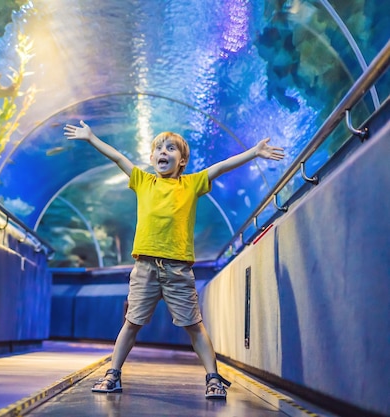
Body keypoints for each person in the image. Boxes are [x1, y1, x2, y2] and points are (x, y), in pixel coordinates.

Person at [63, 120, 285, 399]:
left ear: (182, 161)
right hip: (145, 267)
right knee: (131, 323)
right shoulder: (143, 181)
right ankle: (113, 374)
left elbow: (220, 167)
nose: (162, 152)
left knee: (194, 325)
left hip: (178, 270)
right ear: (152, 157)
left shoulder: (191, 185)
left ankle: (213, 378)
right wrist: (92, 137)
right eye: (158, 148)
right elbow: (118, 156)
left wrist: (254, 152)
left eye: (170, 148)